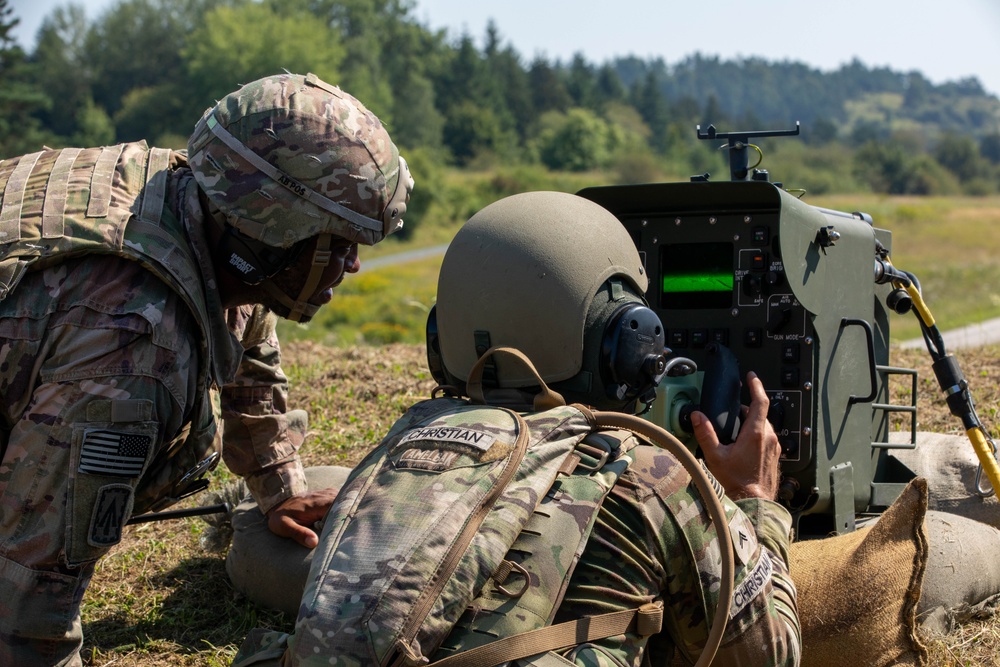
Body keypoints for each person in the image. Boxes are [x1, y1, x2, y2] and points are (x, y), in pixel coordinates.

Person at [234, 191, 799, 666]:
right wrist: (753, 502)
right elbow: (769, 656)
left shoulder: (402, 445)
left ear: (441, 341)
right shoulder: (652, 477)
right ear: (626, 340)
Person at [0, 71, 413, 666]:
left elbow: (248, 344)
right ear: (276, 231)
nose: (349, 267)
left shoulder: (199, 202)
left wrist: (279, 488)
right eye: (339, 243)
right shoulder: (133, 347)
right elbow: (28, 587)